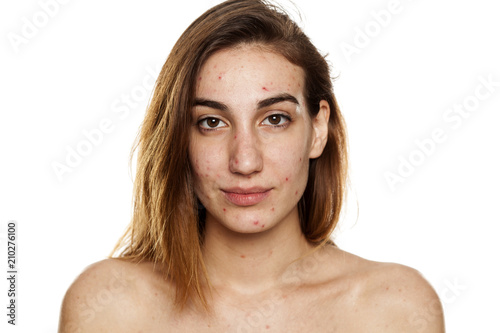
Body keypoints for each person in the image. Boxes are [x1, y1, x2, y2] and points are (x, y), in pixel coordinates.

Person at [58, 0, 445, 332]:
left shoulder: (393, 310)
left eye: (275, 119)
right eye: (212, 122)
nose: (244, 161)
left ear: (318, 130)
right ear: (181, 137)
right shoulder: (110, 308)